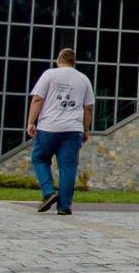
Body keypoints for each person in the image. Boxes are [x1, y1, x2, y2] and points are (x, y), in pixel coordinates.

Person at [27, 48, 95, 216]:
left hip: (48, 127)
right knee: (68, 166)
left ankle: (49, 192)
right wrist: (85, 130)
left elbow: (37, 99)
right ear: (74, 62)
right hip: (73, 129)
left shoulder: (49, 74)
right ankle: (64, 207)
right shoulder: (84, 79)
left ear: (59, 60)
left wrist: (30, 122)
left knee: (40, 158)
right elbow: (88, 109)